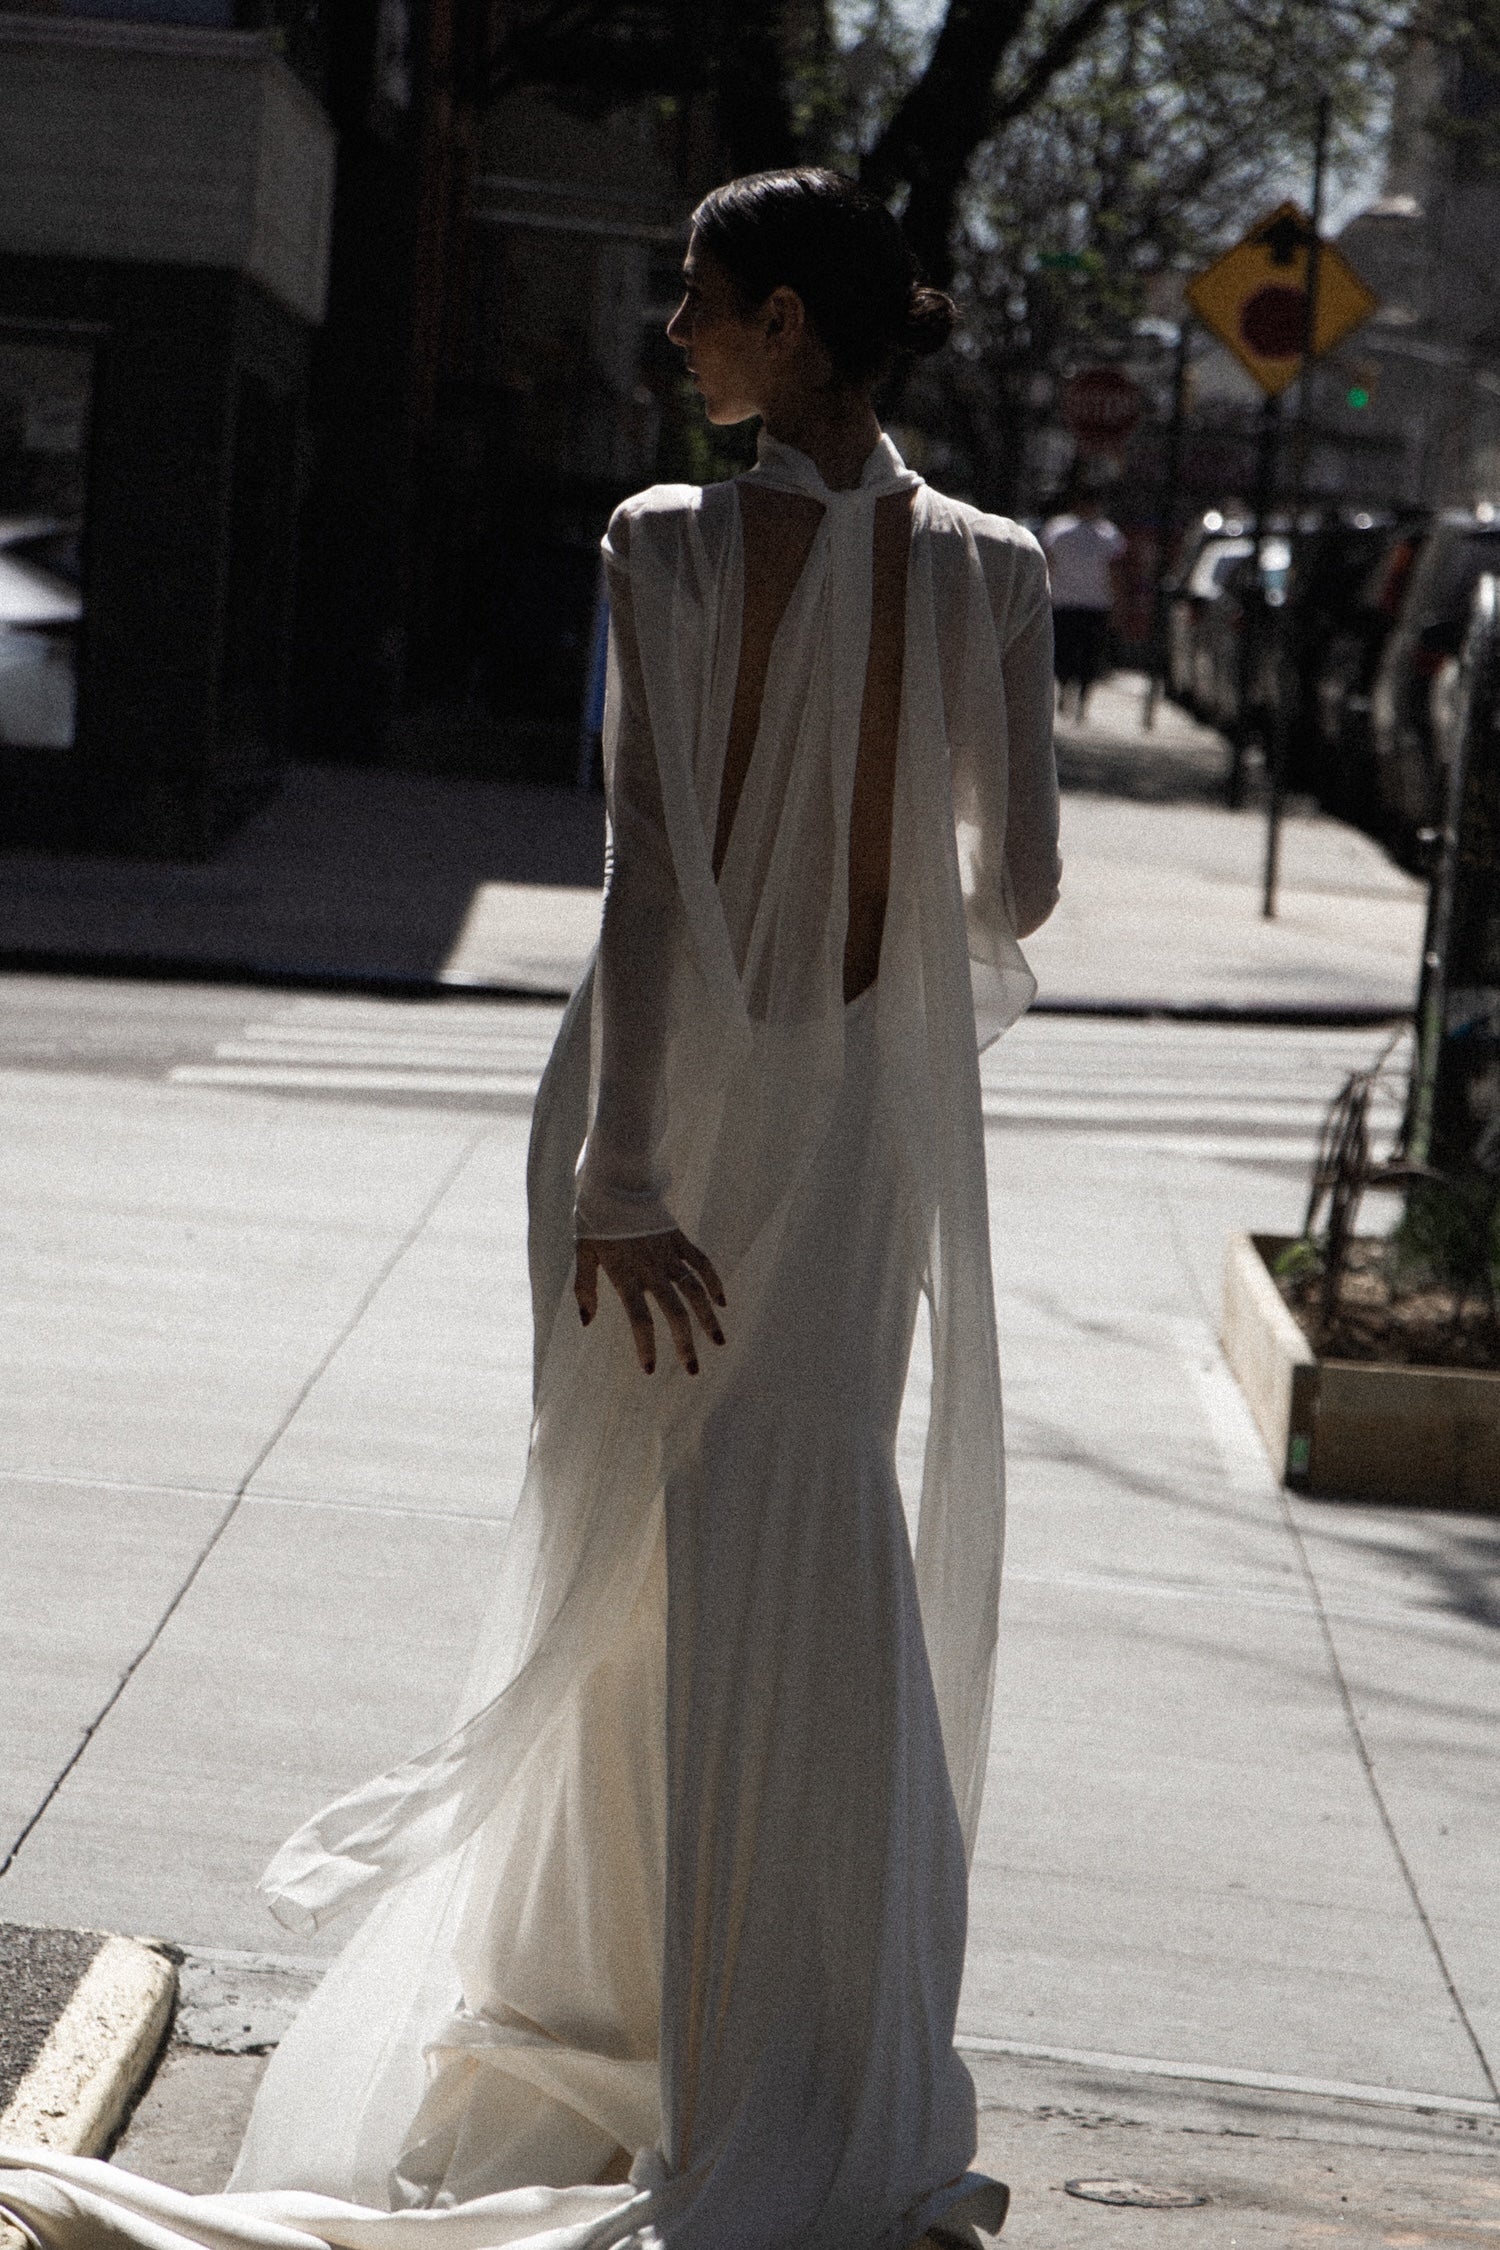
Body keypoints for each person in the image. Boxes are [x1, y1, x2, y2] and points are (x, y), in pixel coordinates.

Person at [0, 169, 1060, 2250]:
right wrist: (864, 972)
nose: (672, 337)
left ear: (792, 327)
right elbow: (1011, 889)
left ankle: (596, 2014)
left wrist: (627, 1166)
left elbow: (649, 876)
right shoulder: (1000, 574)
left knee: (619, 1533)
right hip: (852, 1127)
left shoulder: (663, 542)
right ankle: (797, 2045)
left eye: (700, 302)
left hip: (645, 1117)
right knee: (806, 1506)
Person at [1042, 493, 1126, 719]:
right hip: (1092, 604)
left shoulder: (1058, 530)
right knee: (1086, 653)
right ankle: (1079, 695)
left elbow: (1048, 563)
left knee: (1067, 650)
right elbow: (1115, 572)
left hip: (1068, 602)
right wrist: (1117, 603)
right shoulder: (1108, 534)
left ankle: (1071, 691)